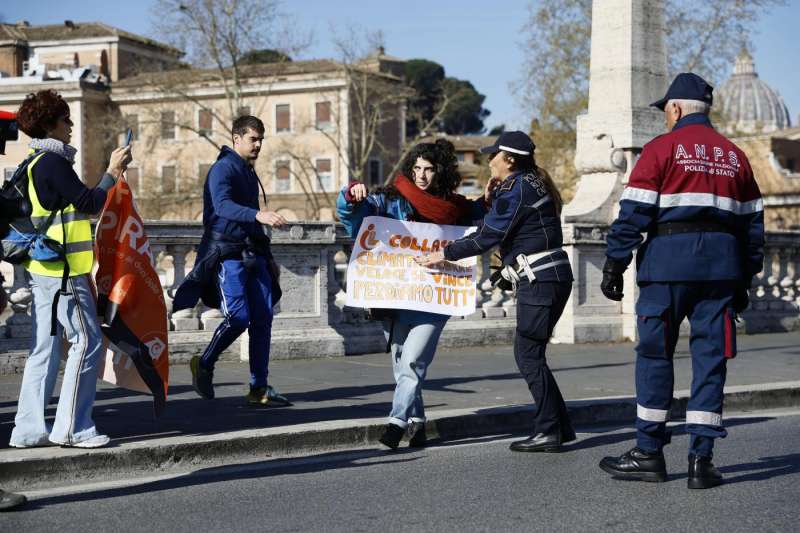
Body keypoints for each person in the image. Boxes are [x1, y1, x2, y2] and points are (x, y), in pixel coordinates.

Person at [597, 73, 764, 489]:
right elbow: (752, 227)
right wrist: (744, 276)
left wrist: (614, 264)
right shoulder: (735, 156)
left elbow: (633, 214)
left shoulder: (660, 150)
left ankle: (649, 453)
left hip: (667, 268)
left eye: (665, 112)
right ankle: (701, 461)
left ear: (674, 109)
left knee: (655, 357)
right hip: (721, 271)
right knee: (711, 361)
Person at [416, 131, 575, 453]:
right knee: (533, 354)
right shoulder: (532, 183)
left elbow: (487, 237)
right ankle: (558, 427)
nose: (489, 160)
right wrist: (492, 198)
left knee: (528, 355)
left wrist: (444, 253)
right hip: (551, 276)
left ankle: (549, 431)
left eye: (494, 155)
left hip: (541, 281)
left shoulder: (516, 190)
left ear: (510, 160)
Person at [337, 139, 489, 449]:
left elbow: (487, 222)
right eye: (417, 168)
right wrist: (350, 194)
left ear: (440, 172)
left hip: (435, 298)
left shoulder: (457, 208)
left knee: (413, 361)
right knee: (400, 361)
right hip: (396, 295)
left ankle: (395, 424)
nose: (421, 176)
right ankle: (417, 423)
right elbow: (357, 217)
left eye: (429, 169)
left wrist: (493, 197)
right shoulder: (390, 200)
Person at [9, 89, 131, 448]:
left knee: (44, 349)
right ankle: (72, 428)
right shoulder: (52, 163)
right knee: (88, 341)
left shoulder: (30, 163)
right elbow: (90, 203)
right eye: (65, 119)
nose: (71, 125)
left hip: (42, 269)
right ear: (50, 124)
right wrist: (112, 171)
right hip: (64, 271)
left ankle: (28, 431)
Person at [173, 115, 290, 406]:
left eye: (261, 139)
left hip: (254, 254)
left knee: (263, 318)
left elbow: (249, 221)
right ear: (237, 139)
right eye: (253, 139)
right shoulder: (222, 169)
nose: (258, 145)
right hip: (226, 254)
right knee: (237, 318)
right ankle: (204, 363)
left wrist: (269, 257)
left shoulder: (248, 172)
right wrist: (258, 214)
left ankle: (258, 388)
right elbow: (223, 206)